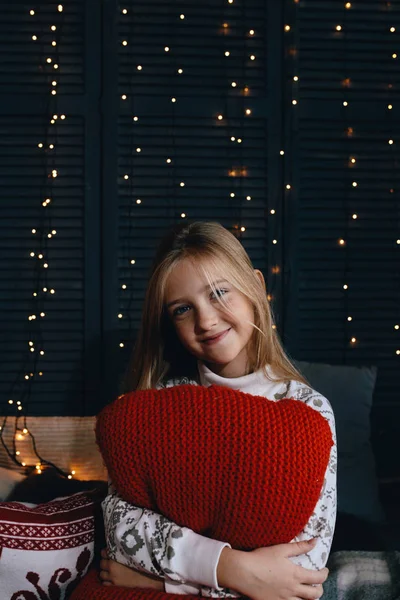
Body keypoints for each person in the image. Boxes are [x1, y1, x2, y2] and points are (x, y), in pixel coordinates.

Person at [99, 221, 337, 600]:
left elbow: (301, 572)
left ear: (257, 287)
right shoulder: (158, 406)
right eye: (182, 309)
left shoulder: (308, 410)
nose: (206, 321)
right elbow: (120, 528)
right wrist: (231, 568)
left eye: (219, 293)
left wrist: (163, 581)